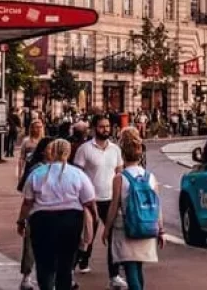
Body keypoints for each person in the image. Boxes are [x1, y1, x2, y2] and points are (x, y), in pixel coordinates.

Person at [17, 139, 97, 290]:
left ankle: (46, 286)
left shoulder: (37, 173)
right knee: (65, 263)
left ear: (51, 152)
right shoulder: (77, 174)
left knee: (44, 261)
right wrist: (95, 217)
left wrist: (21, 221)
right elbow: (89, 201)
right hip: (70, 220)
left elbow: (27, 202)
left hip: (43, 220)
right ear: (68, 153)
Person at [102, 129, 163, 290]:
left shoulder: (120, 178)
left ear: (122, 154)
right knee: (138, 266)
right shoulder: (150, 177)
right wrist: (161, 229)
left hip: (126, 226)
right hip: (147, 224)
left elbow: (114, 206)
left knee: (130, 267)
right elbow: (157, 206)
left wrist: (106, 229)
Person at [74, 115, 125, 286]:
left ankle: (114, 276)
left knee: (113, 237)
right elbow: (78, 175)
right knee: (86, 236)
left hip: (110, 199)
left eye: (108, 126)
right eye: (102, 127)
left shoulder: (115, 150)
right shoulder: (85, 149)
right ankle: (77, 264)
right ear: (95, 128)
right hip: (91, 200)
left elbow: (119, 173)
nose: (106, 129)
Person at [17, 136, 53, 290]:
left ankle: (48, 277)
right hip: (35, 212)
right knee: (30, 246)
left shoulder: (60, 167)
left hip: (53, 213)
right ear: (44, 151)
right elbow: (26, 198)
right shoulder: (36, 168)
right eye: (50, 148)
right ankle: (26, 276)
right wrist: (21, 219)